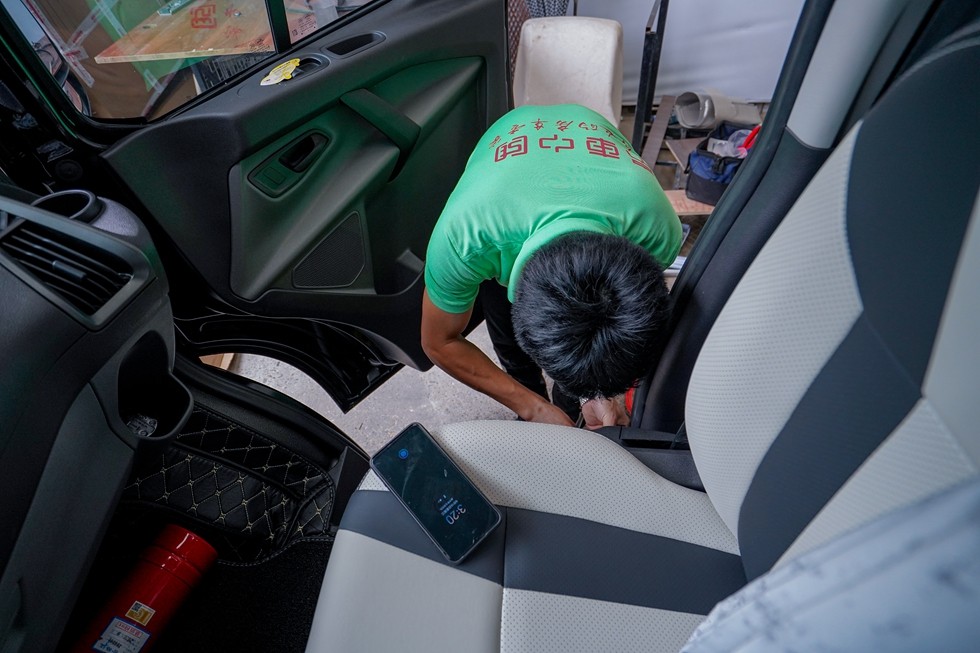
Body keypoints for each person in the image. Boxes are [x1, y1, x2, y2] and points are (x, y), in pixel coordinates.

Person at [421, 103, 682, 428]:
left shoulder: (656, 228)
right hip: (509, 146)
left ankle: (568, 402)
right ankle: (530, 393)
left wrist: (597, 393)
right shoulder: (465, 239)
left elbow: (608, 325)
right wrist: (533, 407)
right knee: (508, 342)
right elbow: (439, 341)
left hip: (584, 130)